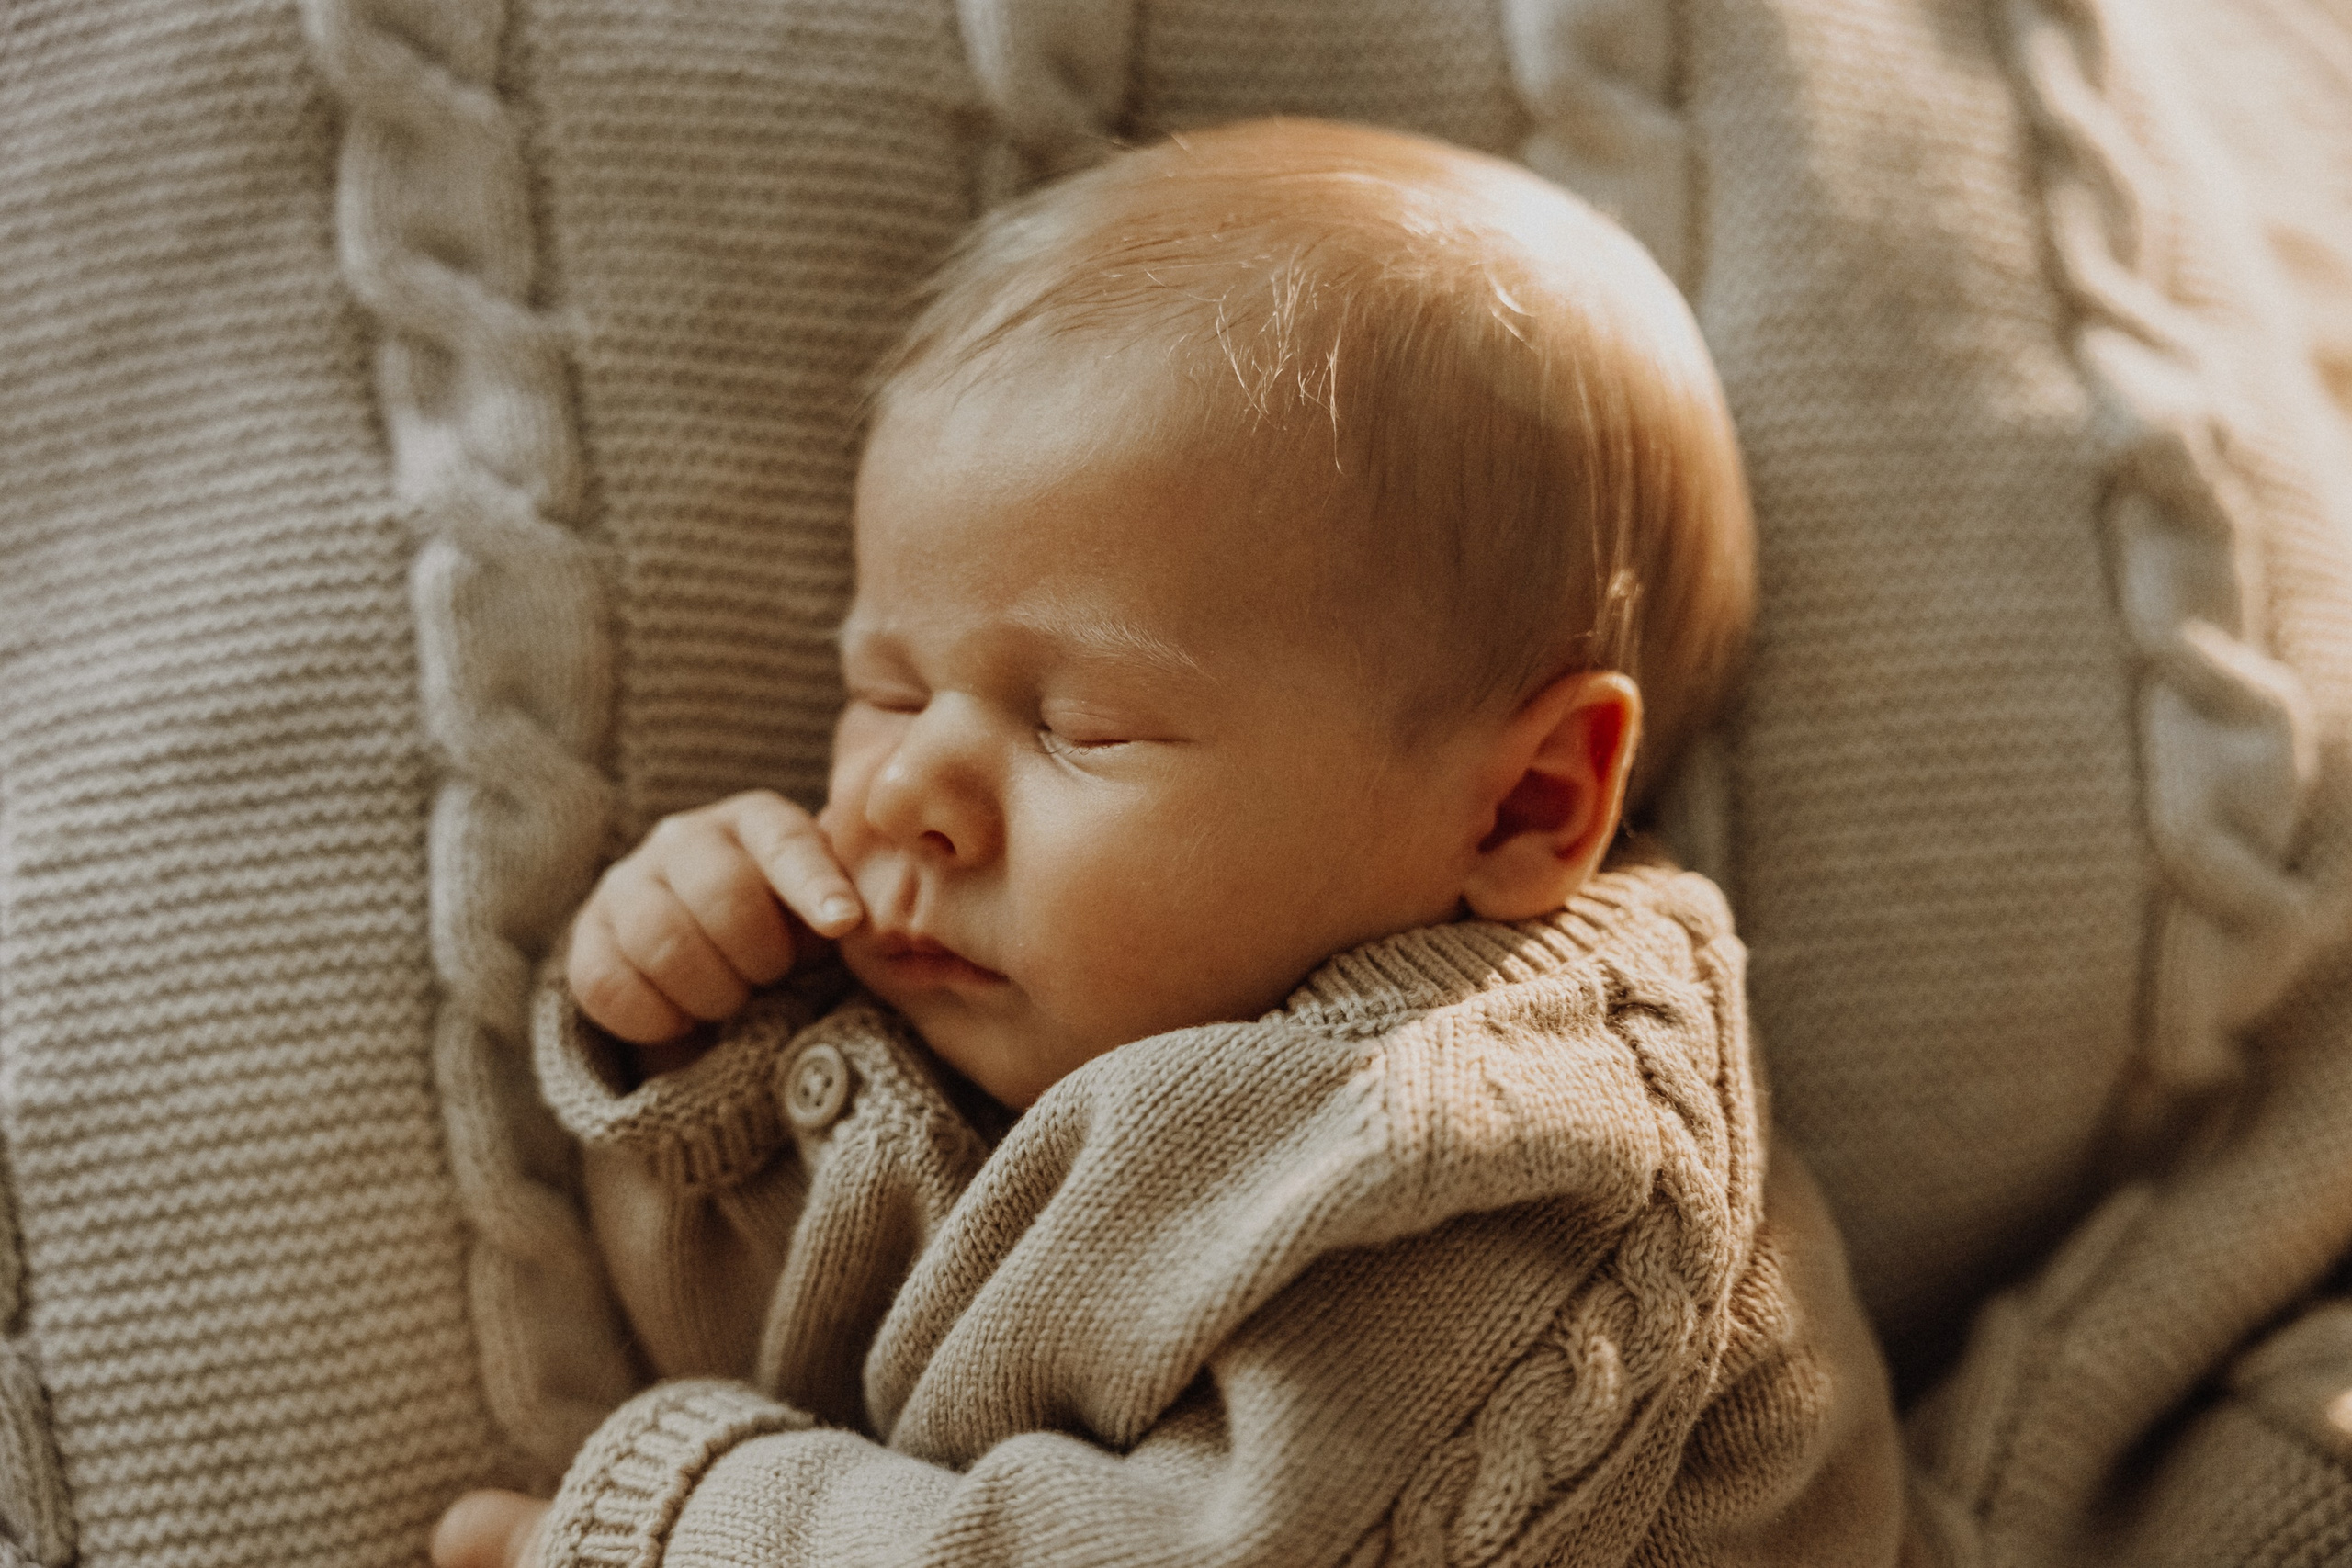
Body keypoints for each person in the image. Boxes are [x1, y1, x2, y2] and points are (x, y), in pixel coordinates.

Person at [433, 118, 1905, 1568]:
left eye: (1085, 725)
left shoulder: (1509, 1144)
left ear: (1525, 805)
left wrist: (680, 1536)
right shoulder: (1120, 1013)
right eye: (887, 691)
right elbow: (859, 1355)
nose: (905, 793)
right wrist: (721, 1041)